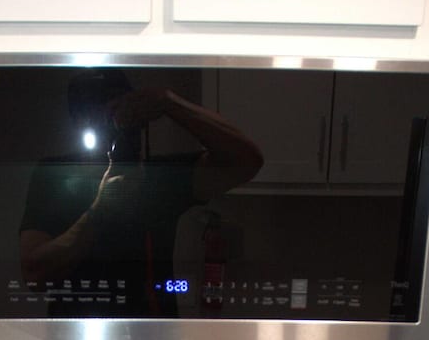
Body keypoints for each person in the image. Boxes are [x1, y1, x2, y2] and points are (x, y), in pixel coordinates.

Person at [19, 69, 263, 316]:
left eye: (120, 110)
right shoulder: (55, 175)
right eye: (100, 112)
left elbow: (246, 161)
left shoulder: (159, 176)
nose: (112, 122)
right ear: (79, 119)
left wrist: (168, 102)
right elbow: (35, 273)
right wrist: (101, 210)